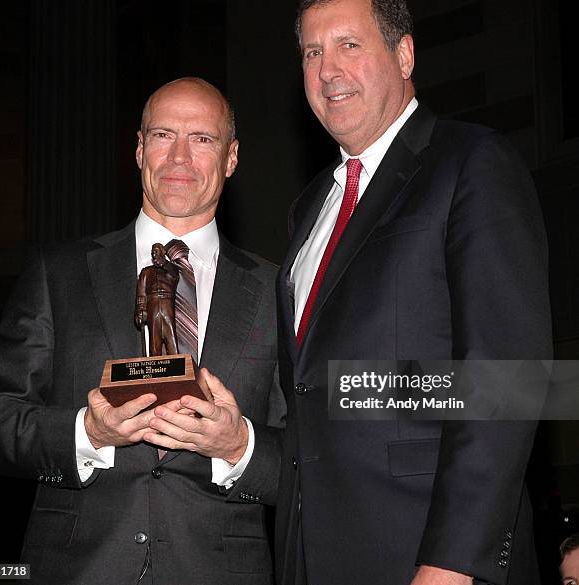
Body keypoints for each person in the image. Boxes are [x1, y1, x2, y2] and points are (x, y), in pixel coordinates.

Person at [274, 1, 552, 584]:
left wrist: (453, 563)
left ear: (404, 55)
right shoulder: (307, 212)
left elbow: (507, 378)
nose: (327, 70)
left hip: (426, 558)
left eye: (349, 45)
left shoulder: (471, 163)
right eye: (312, 53)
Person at [0, 78, 284, 585]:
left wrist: (236, 446)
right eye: (163, 135)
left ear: (231, 158)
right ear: (139, 150)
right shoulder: (59, 272)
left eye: (202, 139)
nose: (179, 156)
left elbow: (312, 456)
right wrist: (86, 434)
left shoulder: (278, 290)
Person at [134, 242, 179, 356]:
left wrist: (164, 264)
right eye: (153, 252)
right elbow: (141, 293)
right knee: (154, 340)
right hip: (152, 306)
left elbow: (174, 274)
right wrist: (140, 310)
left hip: (167, 304)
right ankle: (155, 365)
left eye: (157, 250)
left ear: (164, 252)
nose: (154, 253)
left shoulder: (170, 270)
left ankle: (177, 364)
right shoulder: (146, 272)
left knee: (171, 338)